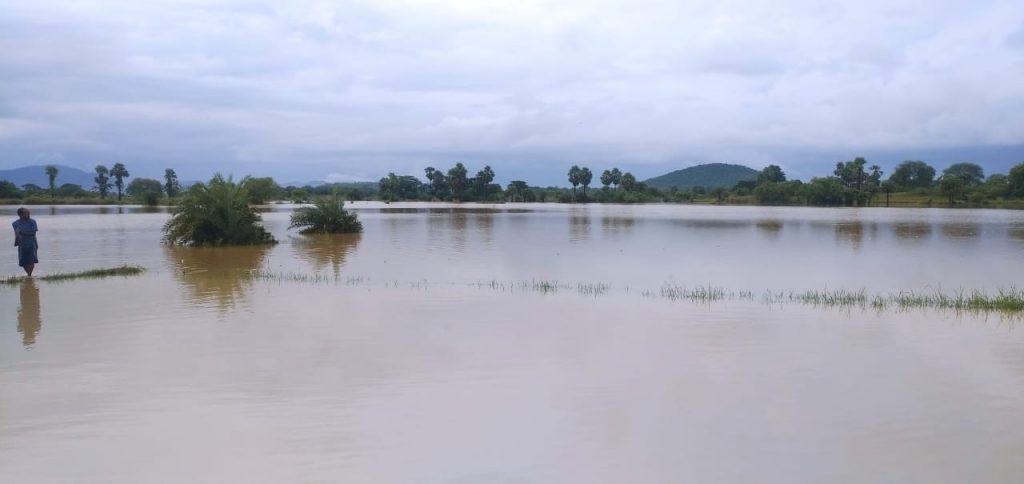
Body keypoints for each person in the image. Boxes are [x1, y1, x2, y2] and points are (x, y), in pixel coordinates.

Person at [12, 207, 38, 276]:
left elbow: (33, 233)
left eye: (28, 213)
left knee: (31, 261)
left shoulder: (33, 221)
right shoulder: (15, 223)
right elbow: (17, 234)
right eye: (26, 213)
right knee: (23, 262)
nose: (29, 214)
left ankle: (29, 276)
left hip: (32, 244)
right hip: (22, 244)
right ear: (21, 215)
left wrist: (22, 232)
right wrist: (21, 233)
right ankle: (29, 275)